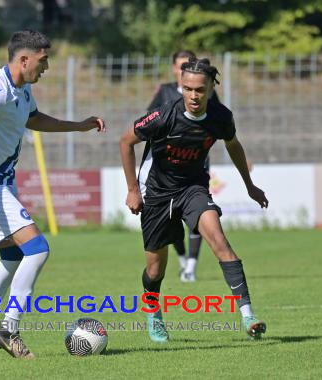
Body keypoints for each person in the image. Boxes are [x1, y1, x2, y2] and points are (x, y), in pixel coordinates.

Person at [0, 30, 106, 358]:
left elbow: (35, 120)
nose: (47, 66)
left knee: (12, 259)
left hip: (2, 183)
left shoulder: (21, 90)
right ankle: (8, 329)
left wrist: (79, 125)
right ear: (24, 59)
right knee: (37, 248)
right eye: (43, 59)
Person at [119, 57, 268, 343]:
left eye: (200, 89)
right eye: (187, 89)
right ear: (181, 87)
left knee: (221, 243)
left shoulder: (221, 117)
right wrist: (133, 189)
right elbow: (125, 142)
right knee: (155, 269)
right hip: (157, 192)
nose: (193, 96)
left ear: (211, 88)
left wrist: (250, 186)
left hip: (193, 188)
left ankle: (248, 315)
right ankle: (154, 313)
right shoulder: (163, 116)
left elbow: (233, 145)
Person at [148, 50, 221, 283]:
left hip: (197, 161)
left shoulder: (207, 92)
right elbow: (149, 118)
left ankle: (191, 265)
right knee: (171, 217)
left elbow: (219, 122)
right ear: (174, 69)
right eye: (180, 67)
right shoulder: (165, 92)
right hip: (168, 164)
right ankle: (181, 258)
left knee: (199, 213)